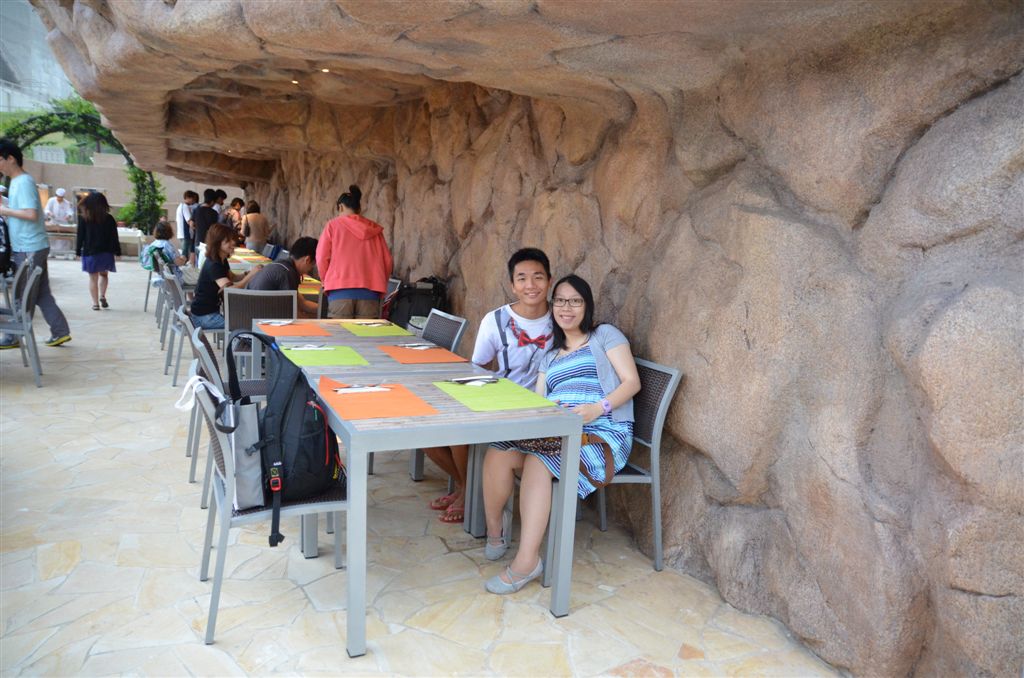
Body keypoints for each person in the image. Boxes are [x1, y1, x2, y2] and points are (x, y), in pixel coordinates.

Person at [481, 274, 641, 594]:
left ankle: (526, 563)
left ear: (587, 305)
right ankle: (496, 532)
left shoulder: (604, 335)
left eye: (575, 301)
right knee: (499, 451)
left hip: (600, 431)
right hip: (556, 430)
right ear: (552, 306)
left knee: (538, 462)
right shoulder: (550, 354)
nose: (567, 308)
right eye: (561, 301)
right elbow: (540, 400)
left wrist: (598, 408)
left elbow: (631, 382)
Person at [423, 248, 553, 525]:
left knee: (460, 435)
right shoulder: (495, 320)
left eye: (538, 277)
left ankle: (466, 494)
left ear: (549, 281)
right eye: (522, 278)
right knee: (427, 432)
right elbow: (478, 368)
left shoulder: (562, 319)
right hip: (499, 401)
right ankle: (465, 486)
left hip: (542, 409)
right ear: (512, 285)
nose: (530, 285)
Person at [0, 138, 71, 348]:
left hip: (29, 248)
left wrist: (3, 210)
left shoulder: (23, 182)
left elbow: (30, 214)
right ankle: (61, 331)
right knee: (41, 293)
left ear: (10, 159)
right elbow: (22, 210)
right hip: (33, 245)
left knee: (22, 294)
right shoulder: (17, 182)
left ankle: (14, 336)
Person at [315, 185, 393, 319]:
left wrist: (326, 281)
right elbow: (388, 262)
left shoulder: (333, 226)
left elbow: (321, 257)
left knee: (340, 332)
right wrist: (379, 284)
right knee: (364, 333)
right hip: (370, 294)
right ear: (359, 209)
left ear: (340, 207)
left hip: (339, 291)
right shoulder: (374, 229)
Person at [189, 223, 263, 330]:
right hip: (204, 317)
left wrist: (248, 273)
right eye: (228, 241)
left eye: (232, 239)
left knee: (244, 320)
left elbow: (232, 277)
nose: (233, 243)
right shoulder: (214, 265)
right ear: (217, 243)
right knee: (245, 325)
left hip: (207, 313)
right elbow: (230, 290)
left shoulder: (221, 260)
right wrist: (251, 276)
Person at [246, 236, 319, 318]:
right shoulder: (288, 273)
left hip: (249, 313)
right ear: (307, 260)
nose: (310, 270)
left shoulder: (281, 264)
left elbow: (303, 303)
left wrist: (325, 310)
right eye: (313, 265)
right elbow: (293, 314)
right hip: (262, 318)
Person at [75, 191, 122, 310]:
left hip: (90, 252)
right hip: (106, 252)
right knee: (104, 275)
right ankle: (102, 295)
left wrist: (77, 251)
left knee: (93, 278)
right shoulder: (109, 218)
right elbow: (114, 237)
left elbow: (80, 236)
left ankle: (95, 304)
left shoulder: (84, 218)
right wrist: (117, 251)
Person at [145, 220, 187, 284]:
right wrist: (183, 259)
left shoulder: (153, 245)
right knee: (197, 277)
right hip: (174, 278)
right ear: (169, 232)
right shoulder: (167, 245)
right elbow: (178, 263)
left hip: (161, 276)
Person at [191, 188, 220, 269]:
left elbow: (191, 224)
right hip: (209, 241)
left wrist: (198, 229)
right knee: (208, 263)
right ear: (212, 201)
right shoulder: (214, 213)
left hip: (198, 240)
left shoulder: (196, 210)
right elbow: (214, 229)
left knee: (199, 263)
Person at [176, 190, 198, 264]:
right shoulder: (185, 207)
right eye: (193, 199)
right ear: (188, 198)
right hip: (185, 234)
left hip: (182, 234)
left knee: (185, 254)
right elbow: (189, 221)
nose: (193, 201)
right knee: (185, 256)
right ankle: (183, 269)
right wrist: (196, 229)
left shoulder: (180, 206)